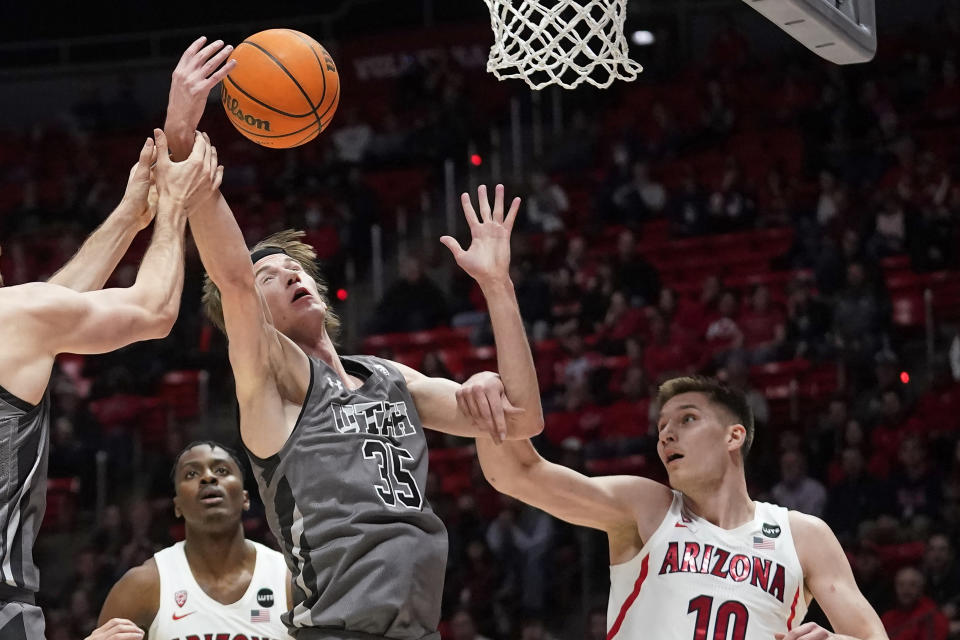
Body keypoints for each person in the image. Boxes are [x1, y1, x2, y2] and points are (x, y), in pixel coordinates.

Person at [163, 37, 543, 639]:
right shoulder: (277, 384)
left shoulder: (393, 380)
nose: (289, 272)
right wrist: (182, 138)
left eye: (294, 267)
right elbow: (231, 279)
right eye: (270, 275)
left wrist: (498, 287)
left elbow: (521, 419)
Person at [0, 129, 220, 638]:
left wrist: (126, 219)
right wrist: (174, 209)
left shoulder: (19, 322)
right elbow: (154, 311)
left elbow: (46, 315)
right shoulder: (14, 318)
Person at [471, 375, 889, 639]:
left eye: (687, 419)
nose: (667, 434)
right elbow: (516, 474)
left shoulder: (803, 535)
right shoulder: (647, 509)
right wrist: (497, 291)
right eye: (661, 427)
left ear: (734, 436)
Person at [92, 441, 291, 639]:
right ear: (177, 506)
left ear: (245, 497)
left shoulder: (289, 581)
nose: (208, 478)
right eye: (191, 474)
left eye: (221, 470)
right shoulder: (142, 586)